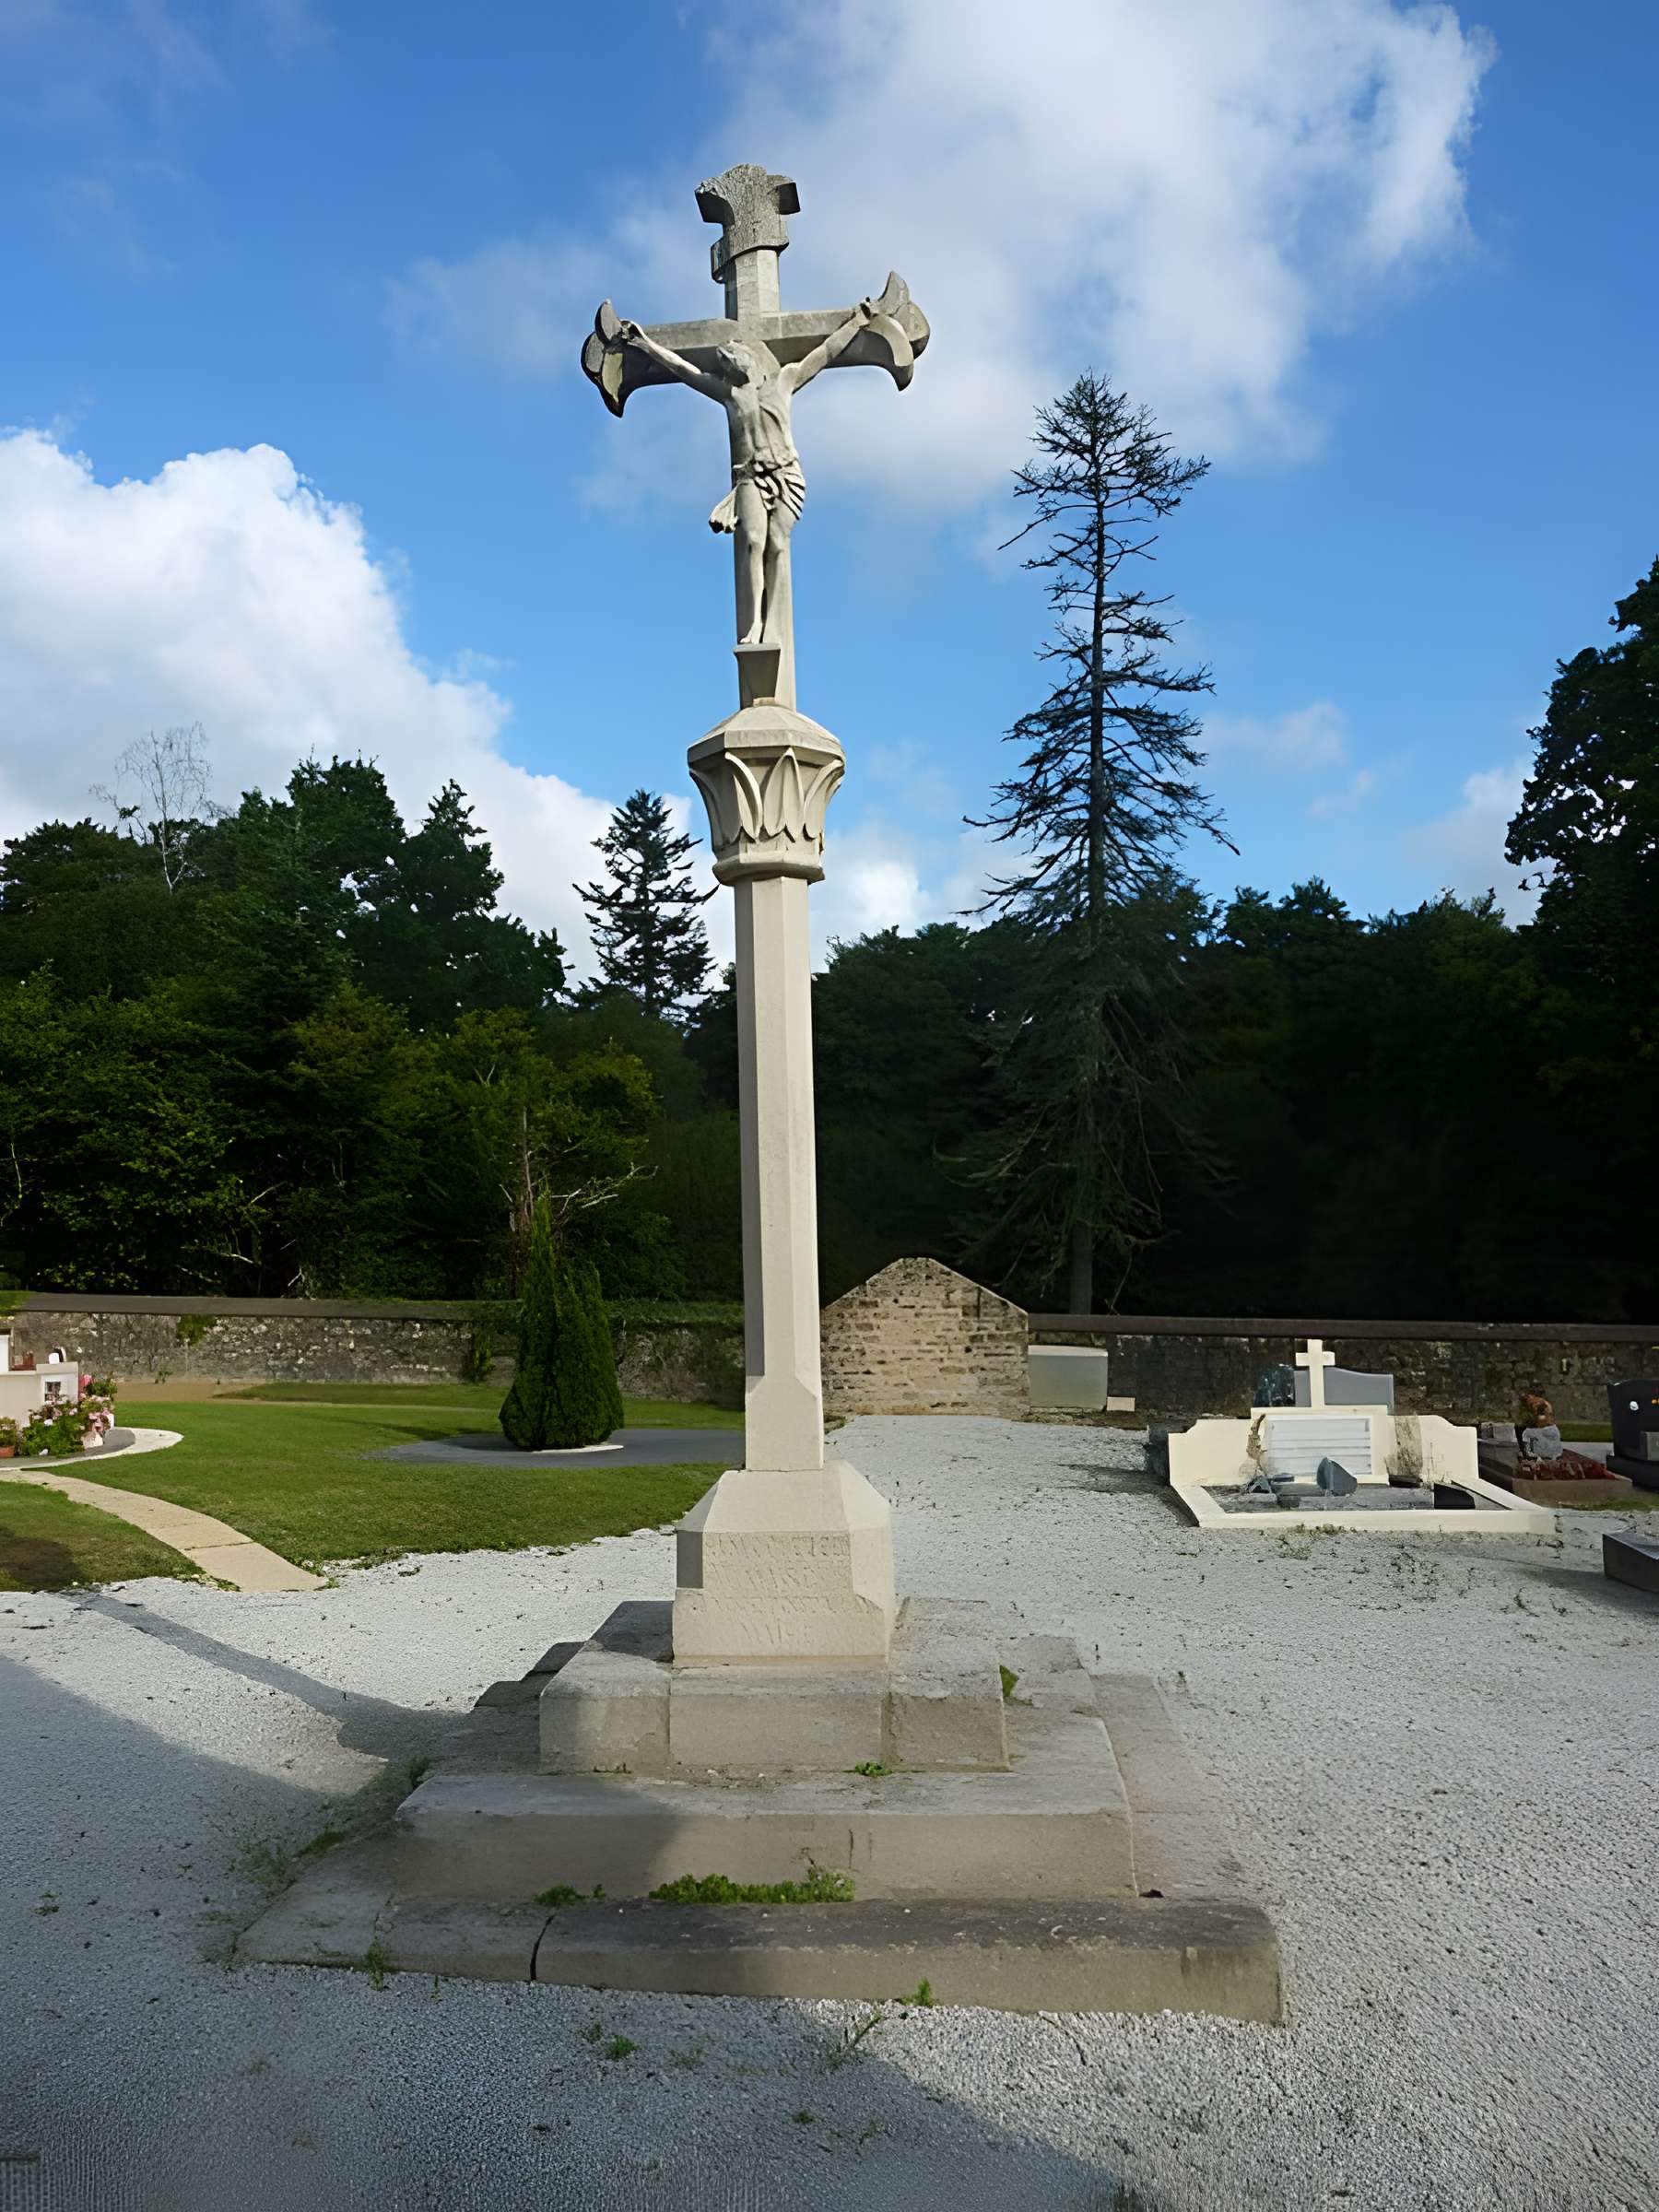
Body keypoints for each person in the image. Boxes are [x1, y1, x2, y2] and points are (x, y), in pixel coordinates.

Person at [618, 299, 877, 646]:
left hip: (786, 474)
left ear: (750, 358)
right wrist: (645, 343)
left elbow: (825, 352)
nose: (726, 359)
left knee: (778, 544)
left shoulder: (785, 380)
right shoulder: (730, 394)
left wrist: (857, 322)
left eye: (732, 353)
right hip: (750, 478)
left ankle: (773, 624)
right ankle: (755, 622)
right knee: (754, 543)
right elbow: (683, 370)